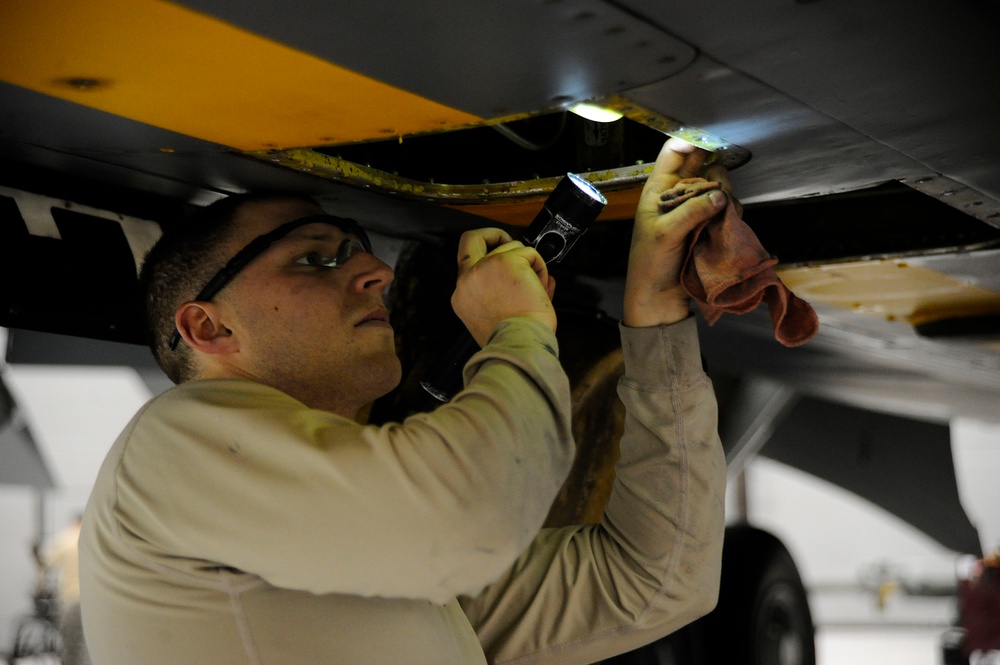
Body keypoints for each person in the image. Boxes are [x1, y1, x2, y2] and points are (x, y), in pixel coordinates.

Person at [79, 139, 728, 664]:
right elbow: (469, 517)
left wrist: (655, 310)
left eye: (356, 249)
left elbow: (656, 581)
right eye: (314, 259)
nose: (378, 272)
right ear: (208, 327)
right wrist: (515, 329)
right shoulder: (170, 445)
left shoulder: (386, 554)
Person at [42, 515, 92, 665]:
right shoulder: (91, 538)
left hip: (70, 597)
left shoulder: (65, 539)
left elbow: (46, 565)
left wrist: (41, 588)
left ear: (74, 522)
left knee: (70, 639)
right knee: (89, 641)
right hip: (92, 600)